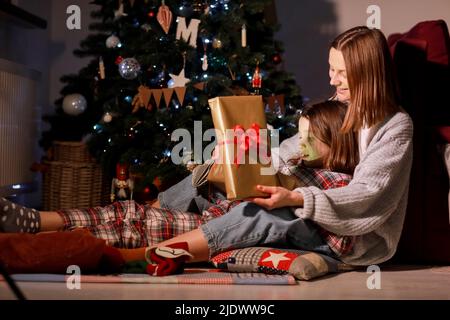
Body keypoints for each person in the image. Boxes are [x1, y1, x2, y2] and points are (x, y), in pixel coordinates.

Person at [1, 26, 413, 274]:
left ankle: (142, 255)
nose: (332, 78)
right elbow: (292, 149)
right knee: (209, 180)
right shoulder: (339, 108)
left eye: (341, 73)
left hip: (353, 238)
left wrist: (294, 195)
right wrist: (248, 165)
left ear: (366, 74)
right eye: (331, 69)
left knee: (259, 210)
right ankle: (40, 220)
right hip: (310, 203)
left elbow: (369, 196)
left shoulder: (395, 126)